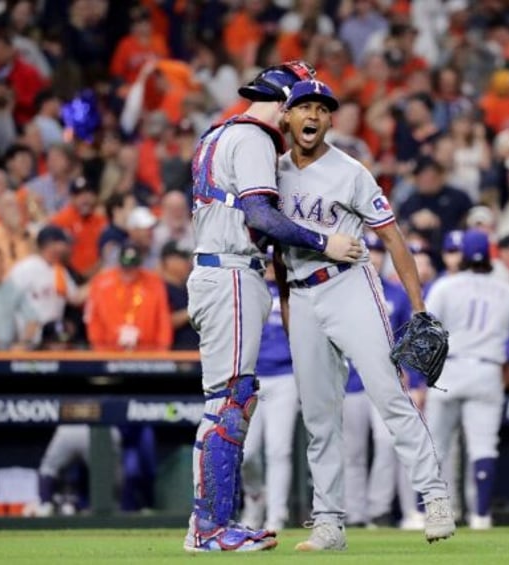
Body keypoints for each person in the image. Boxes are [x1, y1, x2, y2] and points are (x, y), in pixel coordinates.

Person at [183, 61, 361, 553]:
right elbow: (259, 214)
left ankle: (211, 523)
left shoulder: (217, 134)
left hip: (216, 269)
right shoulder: (255, 138)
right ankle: (211, 528)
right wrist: (324, 241)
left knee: (229, 397)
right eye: (299, 104)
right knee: (230, 401)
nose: (303, 116)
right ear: (283, 103)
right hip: (231, 274)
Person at [275, 79, 454, 551]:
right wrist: (289, 305)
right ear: (287, 118)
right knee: (318, 418)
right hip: (301, 293)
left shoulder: (351, 171)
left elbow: (393, 238)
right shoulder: (272, 172)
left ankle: (434, 497)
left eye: (321, 108)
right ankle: (329, 523)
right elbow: (277, 248)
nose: (312, 115)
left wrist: (417, 307)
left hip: (348, 285)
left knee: (389, 395)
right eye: (303, 107)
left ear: (330, 120)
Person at [425, 229, 509, 530]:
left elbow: (425, 332)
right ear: (491, 255)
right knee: (483, 448)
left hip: (449, 369)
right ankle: (481, 516)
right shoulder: (508, 291)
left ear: (465, 256)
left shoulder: (446, 286)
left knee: (437, 447)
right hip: (487, 370)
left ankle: (439, 514)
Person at [342, 233, 419, 528]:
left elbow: (407, 338)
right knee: (353, 451)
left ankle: (378, 508)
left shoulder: (397, 294)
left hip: (385, 380)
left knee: (387, 443)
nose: (373, 255)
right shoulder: (342, 293)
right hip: (350, 379)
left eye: (377, 249)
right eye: (367, 249)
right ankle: (355, 512)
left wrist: (407, 372)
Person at [240, 251, 299, 533]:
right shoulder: (250, 290)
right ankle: (255, 497)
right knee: (246, 451)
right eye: (267, 262)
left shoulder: (294, 291)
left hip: (285, 375)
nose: (271, 267)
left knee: (279, 450)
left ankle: (276, 516)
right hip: (253, 376)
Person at [85, 243, 172, 351]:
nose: (128, 271)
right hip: (109, 350)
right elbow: (93, 318)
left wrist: (162, 349)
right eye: (125, 267)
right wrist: (99, 348)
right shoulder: (101, 283)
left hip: (148, 351)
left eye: (132, 267)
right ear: (119, 264)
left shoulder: (154, 283)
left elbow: (163, 317)